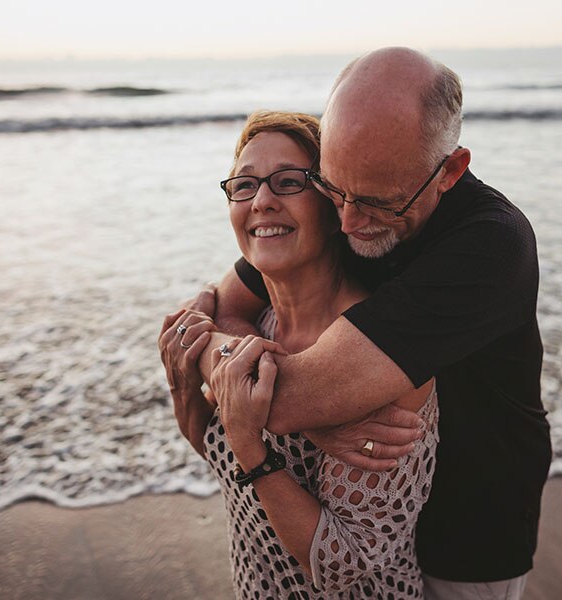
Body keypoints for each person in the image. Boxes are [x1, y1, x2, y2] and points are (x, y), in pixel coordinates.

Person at [177, 48, 552, 600]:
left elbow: (283, 400)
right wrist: (210, 348)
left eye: (375, 202)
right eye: (333, 189)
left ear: (449, 170)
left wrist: (259, 393)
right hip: (356, 518)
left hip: (469, 526)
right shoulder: (350, 199)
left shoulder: (489, 248)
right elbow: (213, 312)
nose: (349, 221)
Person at [160, 110, 439, 598]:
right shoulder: (254, 325)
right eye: (243, 186)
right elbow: (214, 450)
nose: (262, 201)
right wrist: (184, 386)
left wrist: (252, 442)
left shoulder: (384, 354)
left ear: (334, 206)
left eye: (288, 182)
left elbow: (340, 565)